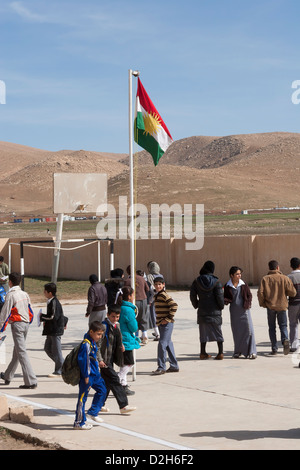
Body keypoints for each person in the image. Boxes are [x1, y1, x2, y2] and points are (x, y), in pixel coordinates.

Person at [97, 305, 136, 414]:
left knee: (107, 384)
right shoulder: (103, 327)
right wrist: (99, 359)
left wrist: (121, 345)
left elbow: (118, 338)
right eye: (113, 316)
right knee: (115, 380)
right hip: (104, 360)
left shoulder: (116, 326)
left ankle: (99, 404)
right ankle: (123, 405)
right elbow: (97, 345)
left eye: (117, 317)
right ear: (108, 315)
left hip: (110, 358)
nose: (115, 319)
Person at [0, 272, 37, 389]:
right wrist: (28, 322)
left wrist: (1, 327)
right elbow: (30, 310)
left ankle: (31, 381)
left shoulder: (11, 295)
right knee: (17, 352)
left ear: (10, 282)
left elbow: (4, 313)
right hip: (25, 324)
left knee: (21, 352)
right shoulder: (24, 294)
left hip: (17, 325)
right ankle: (7, 375)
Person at [257, 259, 296, 355]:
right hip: (282, 306)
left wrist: (263, 304)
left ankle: (274, 348)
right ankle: (285, 340)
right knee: (283, 326)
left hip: (270, 306)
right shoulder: (285, 278)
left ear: (269, 268)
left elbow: (260, 293)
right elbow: (293, 292)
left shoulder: (265, 279)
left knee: (272, 327)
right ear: (278, 267)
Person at [74, 321, 107, 430]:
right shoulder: (86, 344)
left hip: (95, 375)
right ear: (91, 332)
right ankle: (79, 422)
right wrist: (86, 376)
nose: (100, 336)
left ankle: (93, 412)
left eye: (101, 334)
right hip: (88, 376)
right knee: (82, 400)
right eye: (98, 334)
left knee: (102, 390)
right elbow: (84, 361)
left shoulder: (93, 342)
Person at [190, 260, 225, 360]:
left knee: (203, 332)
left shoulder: (196, 281)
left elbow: (192, 295)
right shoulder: (217, 281)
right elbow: (220, 296)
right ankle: (220, 353)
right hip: (215, 311)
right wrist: (221, 306)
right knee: (218, 332)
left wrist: (196, 304)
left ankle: (203, 353)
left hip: (202, 311)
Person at [224, 266, 257, 359]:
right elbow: (226, 298)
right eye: (237, 274)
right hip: (234, 312)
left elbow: (249, 295)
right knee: (236, 331)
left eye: (240, 274)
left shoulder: (243, 284)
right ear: (231, 275)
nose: (239, 276)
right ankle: (238, 351)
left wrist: (247, 304)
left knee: (249, 330)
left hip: (244, 311)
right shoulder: (227, 286)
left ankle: (252, 352)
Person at [152, 276, 179, 375]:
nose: (157, 286)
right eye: (156, 284)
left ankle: (161, 367)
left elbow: (174, 305)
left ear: (163, 285)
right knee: (168, 344)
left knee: (162, 344)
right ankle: (174, 366)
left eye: (159, 284)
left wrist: (167, 319)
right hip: (161, 324)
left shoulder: (163, 295)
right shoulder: (157, 295)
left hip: (167, 324)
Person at [40, 282, 68, 377]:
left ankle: (59, 370)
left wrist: (42, 317)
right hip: (51, 330)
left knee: (56, 350)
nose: (44, 292)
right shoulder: (50, 301)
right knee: (47, 348)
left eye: (45, 291)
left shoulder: (54, 302)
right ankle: (63, 365)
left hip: (55, 330)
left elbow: (53, 317)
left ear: (50, 293)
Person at [118, 286, 140, 395]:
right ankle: (119, 379)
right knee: (129, 363)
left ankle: (123, 385)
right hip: (126, 339)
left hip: (120, 338)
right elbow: (134, 327)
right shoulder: (128, 309)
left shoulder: (120, 307)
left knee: (124, 363)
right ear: (130, 296)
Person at [124, 267, 149, 344]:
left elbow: (125, 292)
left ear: (128, 272)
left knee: (135, 318)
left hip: (134, 301)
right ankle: (145, 335)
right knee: (143, 317)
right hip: (144, 300)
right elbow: (147, 289)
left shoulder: (127, 281)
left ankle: (136, 337)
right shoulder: (142, 279)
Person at [287, 257, 300, 352]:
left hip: (293, 304)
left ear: (291, 266)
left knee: (293, 324)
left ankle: (294, 345)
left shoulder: (288, 278)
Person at [147, 261, 161, 341]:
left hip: (153, 299)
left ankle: (157, 333)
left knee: (153, 316)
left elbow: (152, 289)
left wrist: (151, 299)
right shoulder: (161, 275)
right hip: (161, 297)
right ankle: (159, 332)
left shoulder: (149, 276)